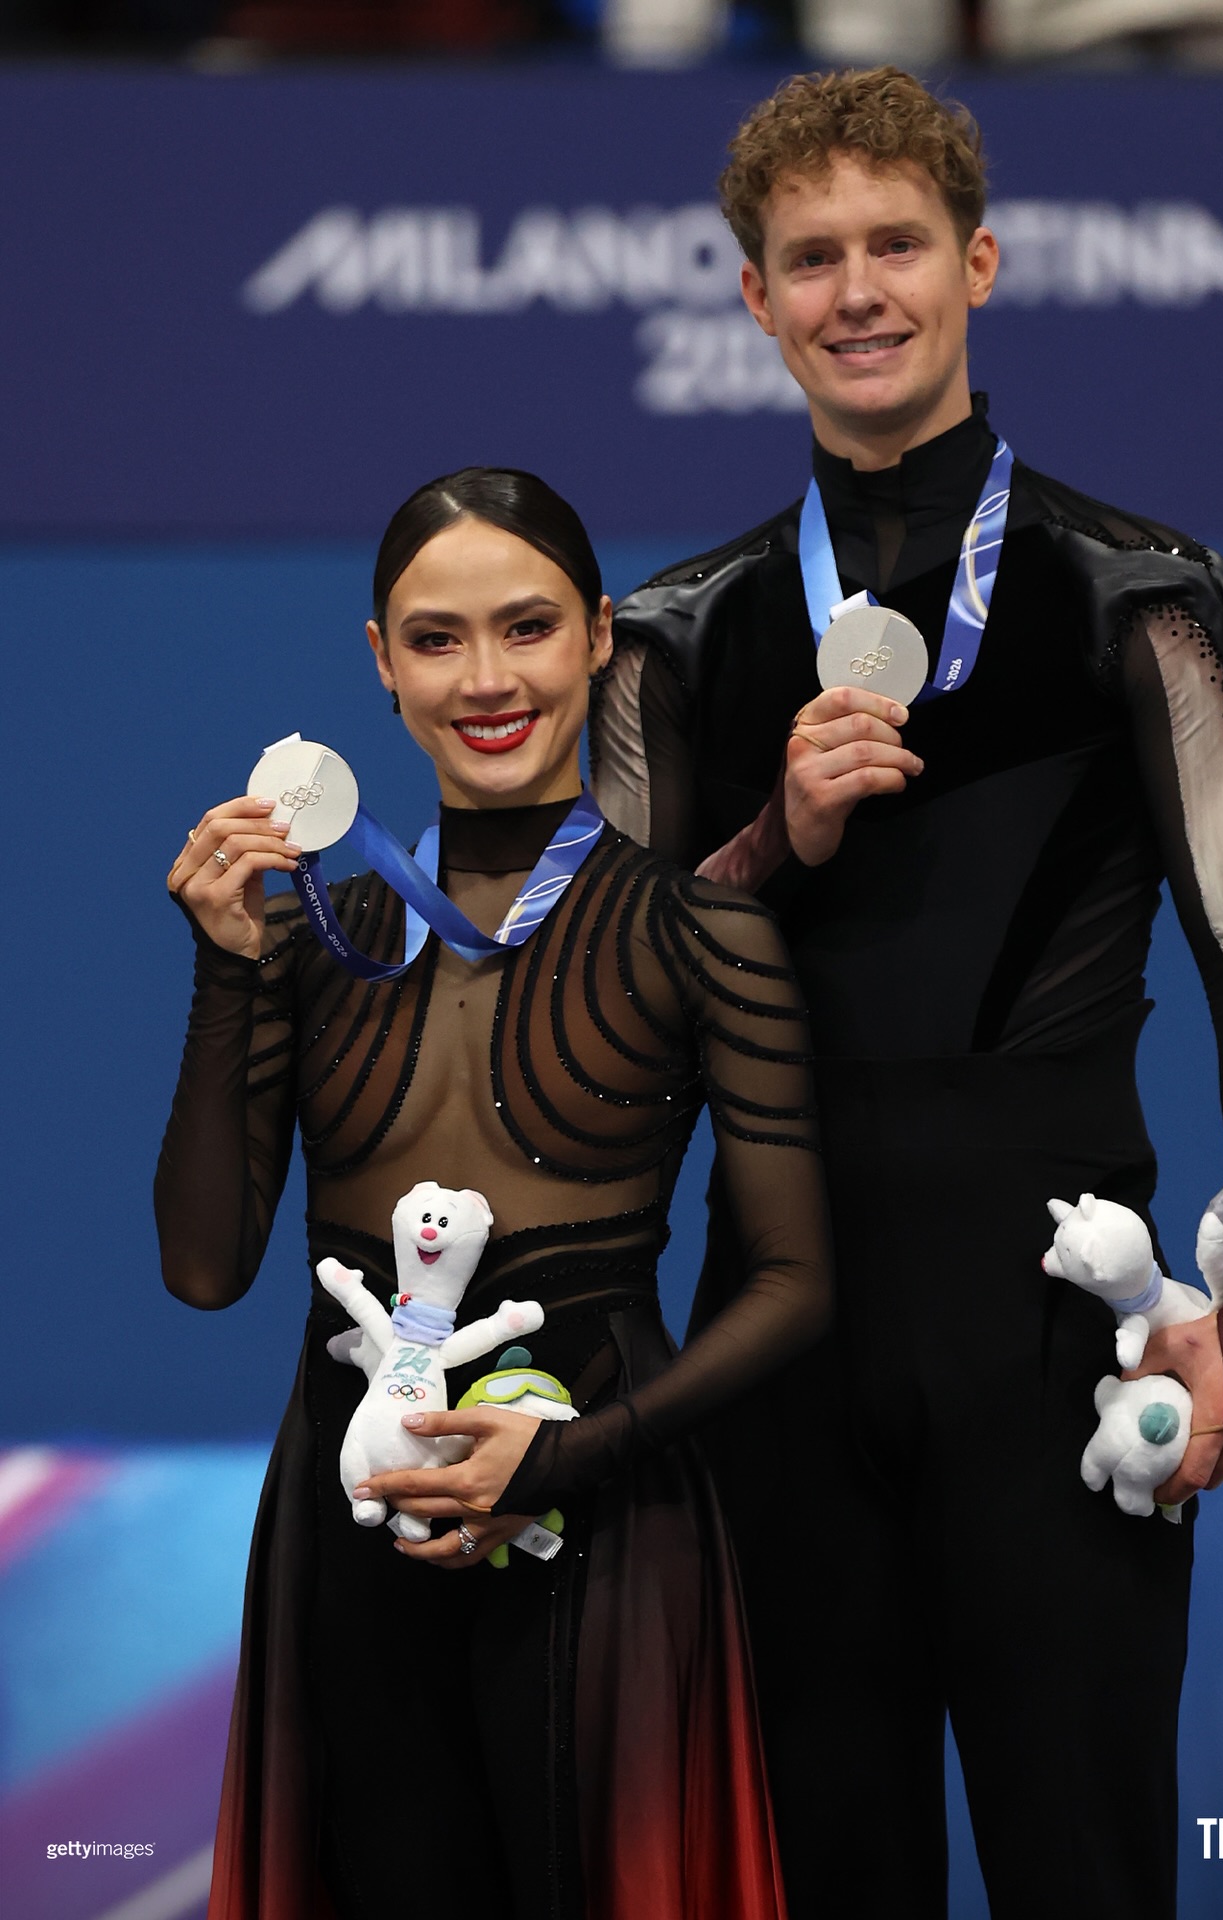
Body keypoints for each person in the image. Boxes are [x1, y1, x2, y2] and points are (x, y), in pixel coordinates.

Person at [590, 66, 1223, 1920]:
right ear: (753, 298)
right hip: (777, 1341)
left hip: (1059, 1328)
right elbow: (601, 1012)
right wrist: (773, 840)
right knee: (825, 1877)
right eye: (812, 256)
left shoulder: (1147, 592)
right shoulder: (671, 637)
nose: (859, 290)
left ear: (977, 264)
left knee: (1086, 1869)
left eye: (897, 244)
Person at [156, 467, 832, 1920]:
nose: (486, 680)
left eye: (526, 628)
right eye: (437, 638)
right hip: (351, 1542)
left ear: (599, 634)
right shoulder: (310, 939)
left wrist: (571, 1453)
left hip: (609, 1523)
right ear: (380, 662)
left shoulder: (701, 932)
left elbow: (795, 1283)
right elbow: (206, 1268)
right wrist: (225, 967)